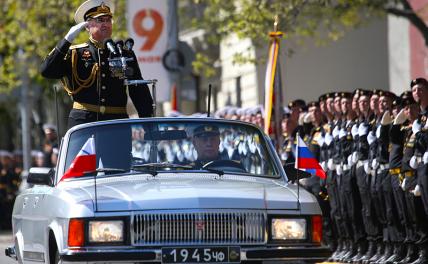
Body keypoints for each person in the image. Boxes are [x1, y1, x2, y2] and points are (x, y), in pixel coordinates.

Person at [40, 0, 153, 128]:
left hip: (116, 124)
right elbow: (47, 70)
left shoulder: (124, 54)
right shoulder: (75, 54)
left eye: (108, 20)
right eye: (100, 20)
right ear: (87, 26)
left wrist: (149, 125)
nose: (105, 24)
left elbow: (138, 90)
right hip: (84, 123)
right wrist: (67, 40)